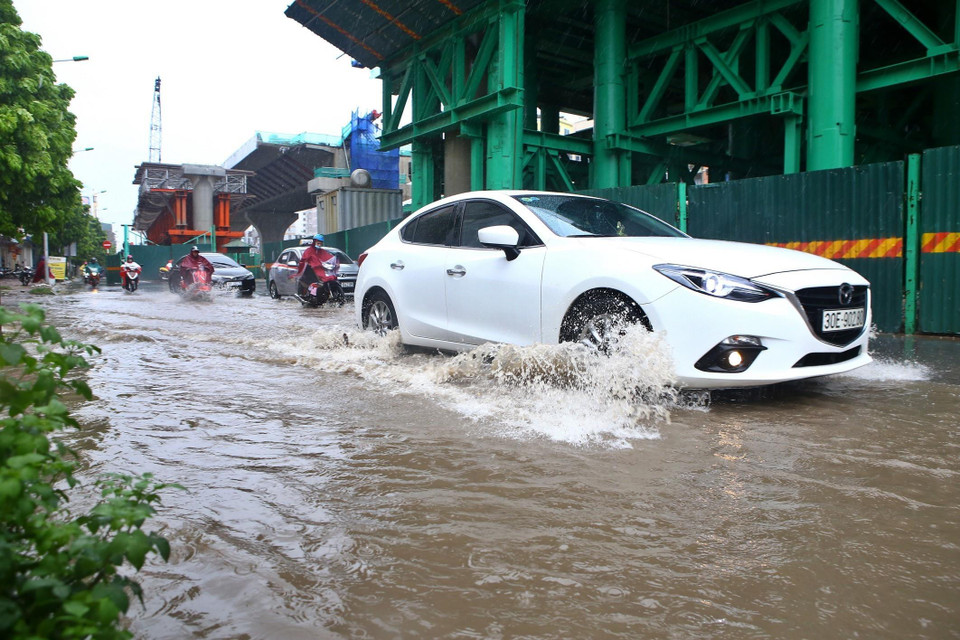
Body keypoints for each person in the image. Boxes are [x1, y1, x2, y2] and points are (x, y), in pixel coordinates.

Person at [296, 234, 344, 305]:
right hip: (310, 270)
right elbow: (303, 260)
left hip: (321, 269)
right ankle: (311, 296)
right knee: (313, 281)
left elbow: (328, 258)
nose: (319, 244)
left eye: (320, 242)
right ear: (314, 242)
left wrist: (335, 262)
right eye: (318, 242)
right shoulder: (308, 251)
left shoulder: (322, 251)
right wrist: (310, 263)